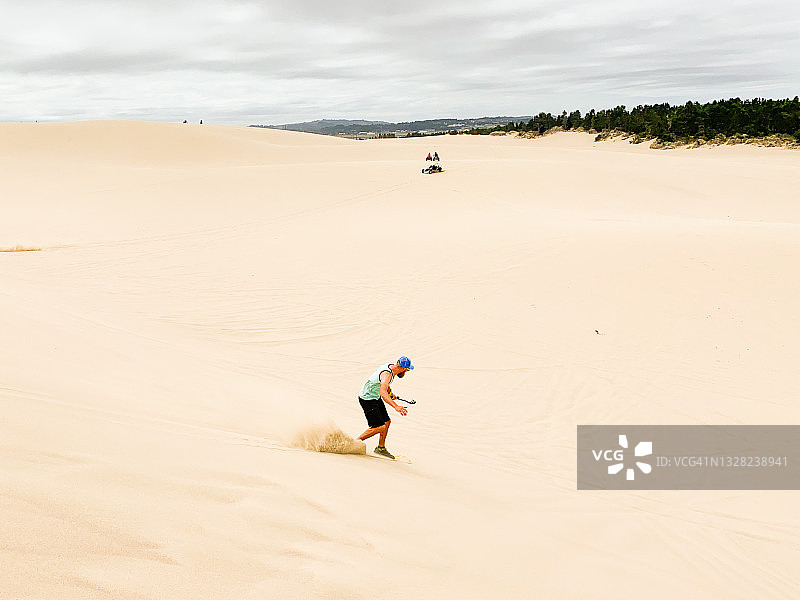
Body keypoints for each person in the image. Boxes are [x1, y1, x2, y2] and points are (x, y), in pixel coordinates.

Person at [357, 356, 413, 459]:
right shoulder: (387, 373)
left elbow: (384, 385)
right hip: (367, 399)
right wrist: (396, 406)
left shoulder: (391, 369)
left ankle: (380, 448)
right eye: (407, 370)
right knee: (379, 427)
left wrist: (391, 393)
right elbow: (382, 392)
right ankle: (355, 442)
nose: (406, 372)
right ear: (403, 368)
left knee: (387, 422)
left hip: (375, 397)